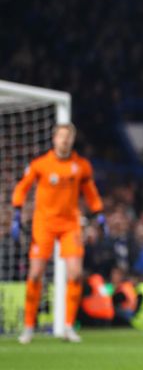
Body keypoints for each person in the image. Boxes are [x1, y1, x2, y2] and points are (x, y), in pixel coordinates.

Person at [11, 123, 107, 343]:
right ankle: (28, 327)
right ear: (54, 139)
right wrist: (17, 210)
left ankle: (68, 326)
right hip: (43, 223)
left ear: (72, 140)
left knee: (75, 273)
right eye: (61, 136)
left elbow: (90, 192)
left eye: (68, 137)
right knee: (35, 273)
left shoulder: (81, 166)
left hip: (70, 224)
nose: (64, 140)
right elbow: (22, 187)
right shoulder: (40, 165)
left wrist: (99, 212)